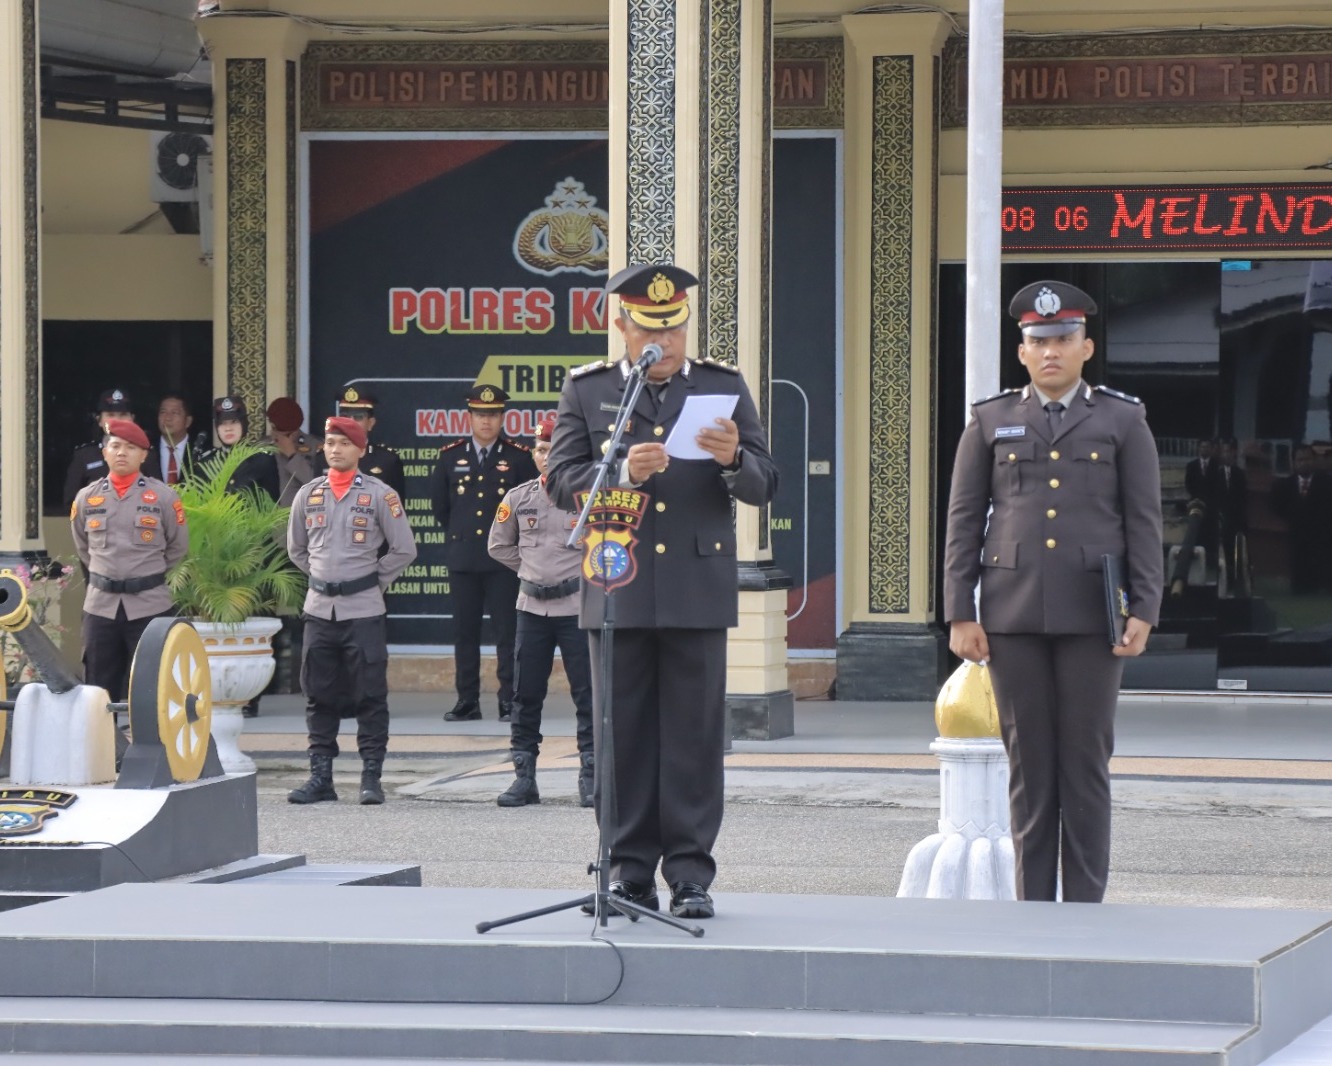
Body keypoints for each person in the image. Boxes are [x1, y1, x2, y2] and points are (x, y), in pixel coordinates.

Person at [545, 262, 779, 919]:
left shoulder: (721, 385)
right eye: (651, 328)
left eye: (674, 327)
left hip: (696, 586)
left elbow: (766, 482)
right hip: (618, 584)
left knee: (692, 737)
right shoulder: (588, 391)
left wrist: (735, 459)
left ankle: (690, 875)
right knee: (622, 734)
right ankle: (627, 874)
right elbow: (561, 480)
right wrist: (619, 469)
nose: (665, 341)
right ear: (620, 325)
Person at [943, 279, 1163, 904]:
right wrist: (960, 610)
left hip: (1096, 614)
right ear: (1022, 351)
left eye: (1063, 340)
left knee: (1086, 767)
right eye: (1038, 342)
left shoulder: (1123, 419)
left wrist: (1144, 607)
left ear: (1086, 347)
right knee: (1029, 768)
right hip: (1011, 614)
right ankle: (1033, 904)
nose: (1050, 353)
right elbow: (964, 520)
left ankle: (1086, 905)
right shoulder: (991, 420)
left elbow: (1143, 519)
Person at [285, 416, 418, 806]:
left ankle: (370, 776)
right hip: (319, 610)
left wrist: (371, 581)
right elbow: (296, 549)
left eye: (344, 443)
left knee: (370, 694)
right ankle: (320, 777)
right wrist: (325, 578)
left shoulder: (380, 494)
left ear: (360, 449)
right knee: (318, 695)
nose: (334, 449)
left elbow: (404, 549)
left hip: (363, 610)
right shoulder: (307, 494)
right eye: (329, 443)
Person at [487, 415, 595, 808]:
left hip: (575, 608)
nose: (545, 455)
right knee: (525, 693)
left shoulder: (588, 497)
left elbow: (607, 548)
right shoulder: (518, 497)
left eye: (552, 448)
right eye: (540, 449)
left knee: (588, 694)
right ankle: (523, 777)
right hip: (531, 608)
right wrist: (530, 570)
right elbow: (498, 546)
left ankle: (590, 775)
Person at [429, 384, 537, 722]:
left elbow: (529, 507)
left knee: (507, 633)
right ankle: (467, 701)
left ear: (503, 417)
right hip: (463, 558)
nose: (486, 421)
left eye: (492, 415)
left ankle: (509, 700)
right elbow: (441, 509)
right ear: (470, 417)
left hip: (503, 560)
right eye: (480, 415)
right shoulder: (450, 456)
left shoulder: (519, 457)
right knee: (465, 633)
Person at [70, 418, 189, 711]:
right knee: (98, 689)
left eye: (131, 447)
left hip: (150, 604)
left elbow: (177, 548)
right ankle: (104, 753)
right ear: (105, 451)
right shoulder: (87, 498)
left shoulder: (163, 497)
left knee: (151, 687)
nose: (122, 452)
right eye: (116, 446)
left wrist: (142, 575)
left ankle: (149, 752)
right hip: (101, 607)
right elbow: (83, 548)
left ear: (144, 455)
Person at [313, 387, 406, 496]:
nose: (350, 422)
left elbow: (396, 508)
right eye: (345, 416)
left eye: (358, 417)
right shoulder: (323, 458)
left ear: (370, 423)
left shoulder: (387, 461)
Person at [1271, 444, 1332, 594]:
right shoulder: (1285, 485)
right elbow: (1276, 506)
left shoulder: (1327, 483)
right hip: (1296, 533)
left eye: (1308, 459)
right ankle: (1300, 588)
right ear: (1294, 462)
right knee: (1298, 563)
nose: (1304, 463)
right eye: (1300, 459)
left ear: (1314, 460)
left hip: (1321, 534)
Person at [63, 387, 136, 510]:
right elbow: (71, 501)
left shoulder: (145, 454)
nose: (117, 421)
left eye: (123, 415)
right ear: (99, 420)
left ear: (132, 419)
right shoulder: (84, 456)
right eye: (110, 415)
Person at [197, 395, 281, 501]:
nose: (228, 428)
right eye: (222, 424)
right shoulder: (207, 463)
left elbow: (272, 504)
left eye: (234, 422)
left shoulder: (262, 460)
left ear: (244, 423)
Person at [266, 397, 323, 507]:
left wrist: (292, 455)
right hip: (267, 520)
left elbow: (319, 486)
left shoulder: (315, 446)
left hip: (301, 518)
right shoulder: (261, 447)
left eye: (288, 434)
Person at [144, 393, 204, 486]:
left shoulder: (201, 451)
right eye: (163, 412)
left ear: (188, 421)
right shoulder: (146, 449)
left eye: (174, 412)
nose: (167, 418)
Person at [1215, 437, 1249, 594]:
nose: (1226, 455)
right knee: (1224, 553)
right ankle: (1225, 582)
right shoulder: (1216, 474)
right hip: (1223, 520)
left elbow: (1243, 498)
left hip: (1237, 520)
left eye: (1229, 451)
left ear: (1234, 453)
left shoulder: (1239, 474)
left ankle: (1239, 582)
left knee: (1240, 554)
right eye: (1224, 451)